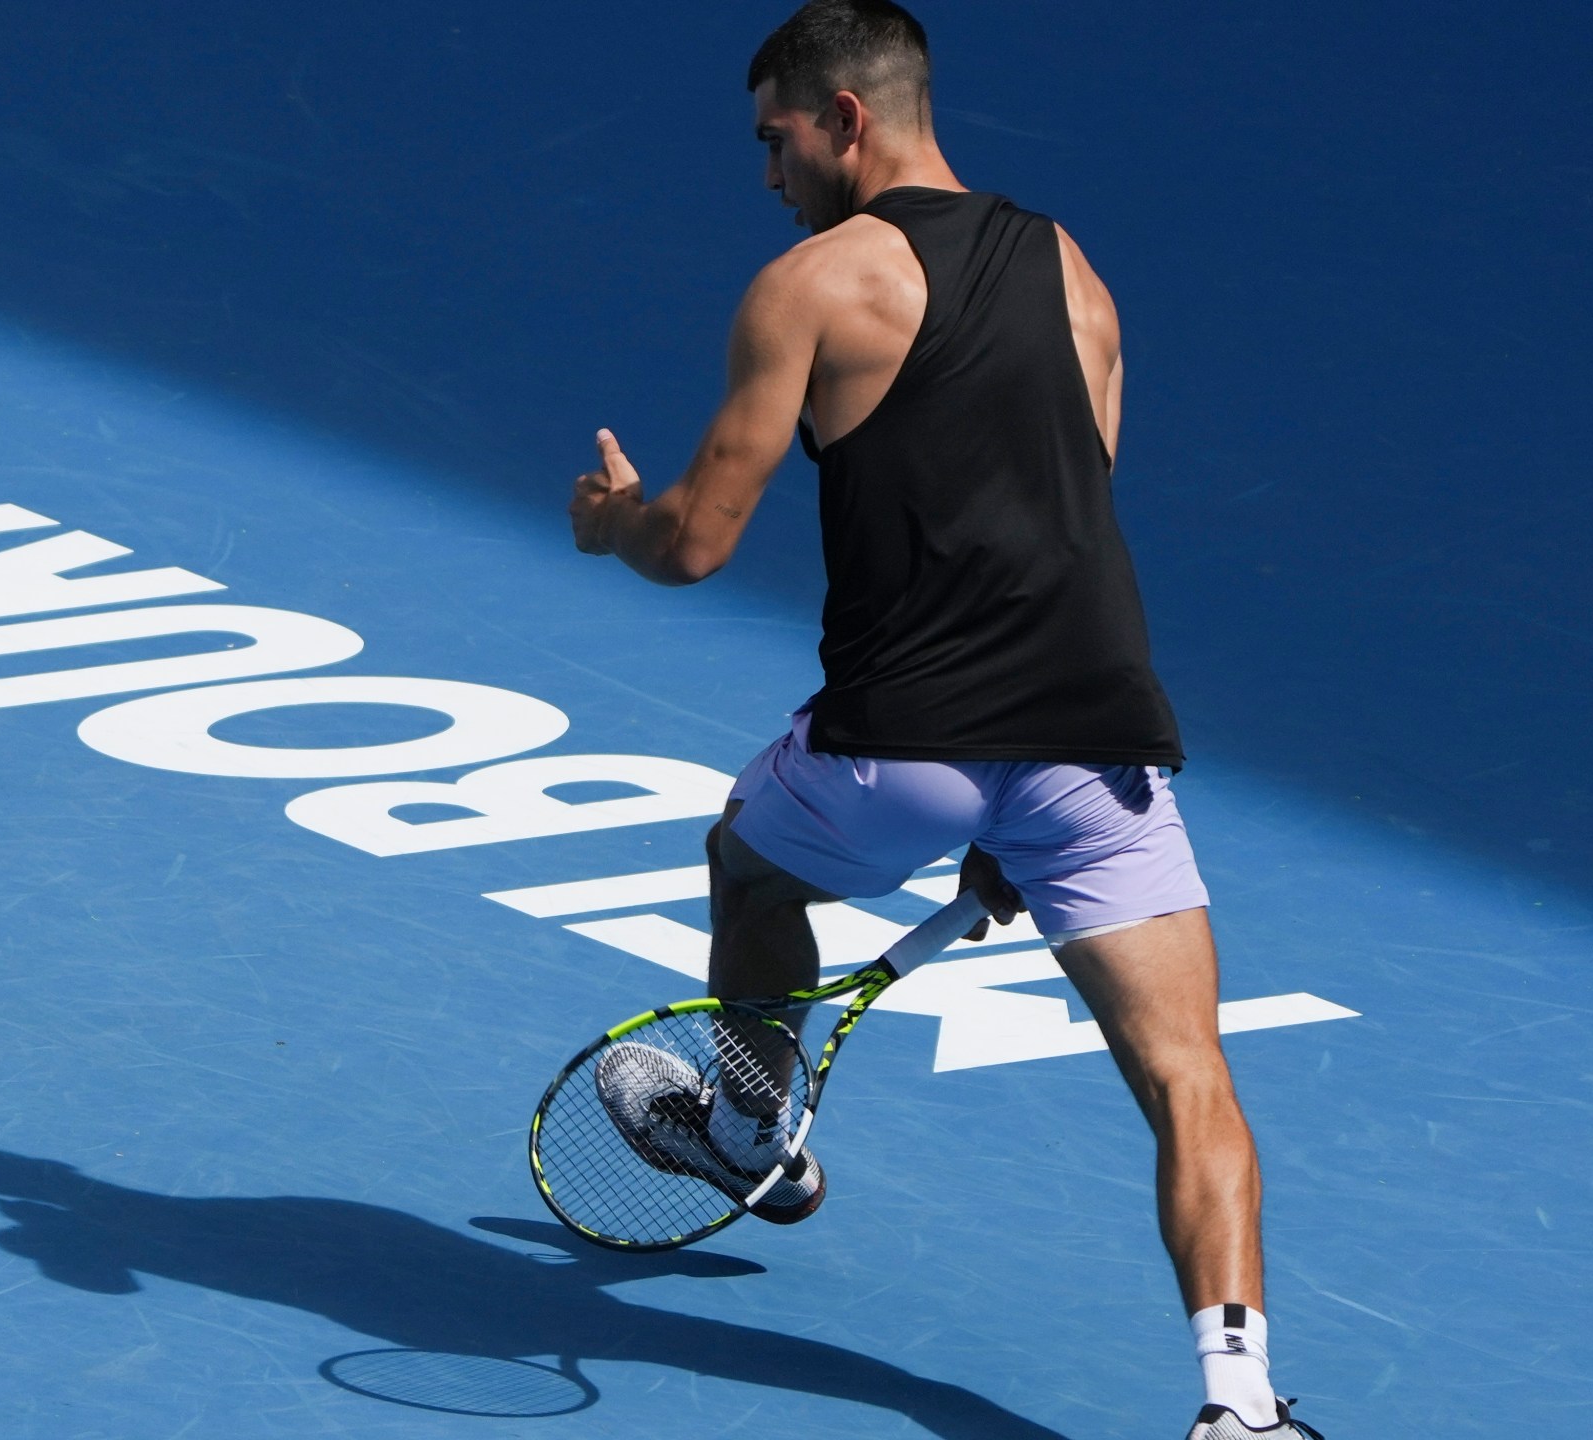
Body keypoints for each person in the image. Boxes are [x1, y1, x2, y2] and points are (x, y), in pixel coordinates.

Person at [564, 4, 1321, 1436]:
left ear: (843, 118)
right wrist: (1024, 821)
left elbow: (697, 543)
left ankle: (745, 1137)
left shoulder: (812, 282)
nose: (768, 172)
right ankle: (1244, 1409)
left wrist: (613, 527)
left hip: (895, 752)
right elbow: (1075, 512)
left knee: (749, 864)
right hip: (1097, 748)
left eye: (775, 138)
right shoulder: (1077, 275)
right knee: (1184, 1073)